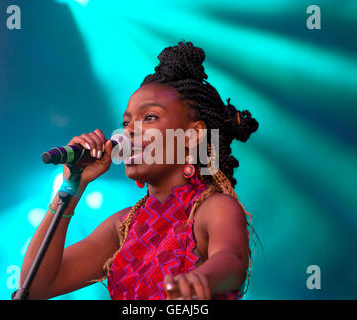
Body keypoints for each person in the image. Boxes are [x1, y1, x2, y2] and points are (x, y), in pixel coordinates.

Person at [19, 41, 259, 300]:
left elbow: (231, 260)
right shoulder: (122, 226)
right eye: (126, 122)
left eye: (150, 117)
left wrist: (201, 278)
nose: (129, 130)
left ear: (193, 135)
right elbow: (34, 289)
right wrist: (71, 188)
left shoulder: (214, 207)